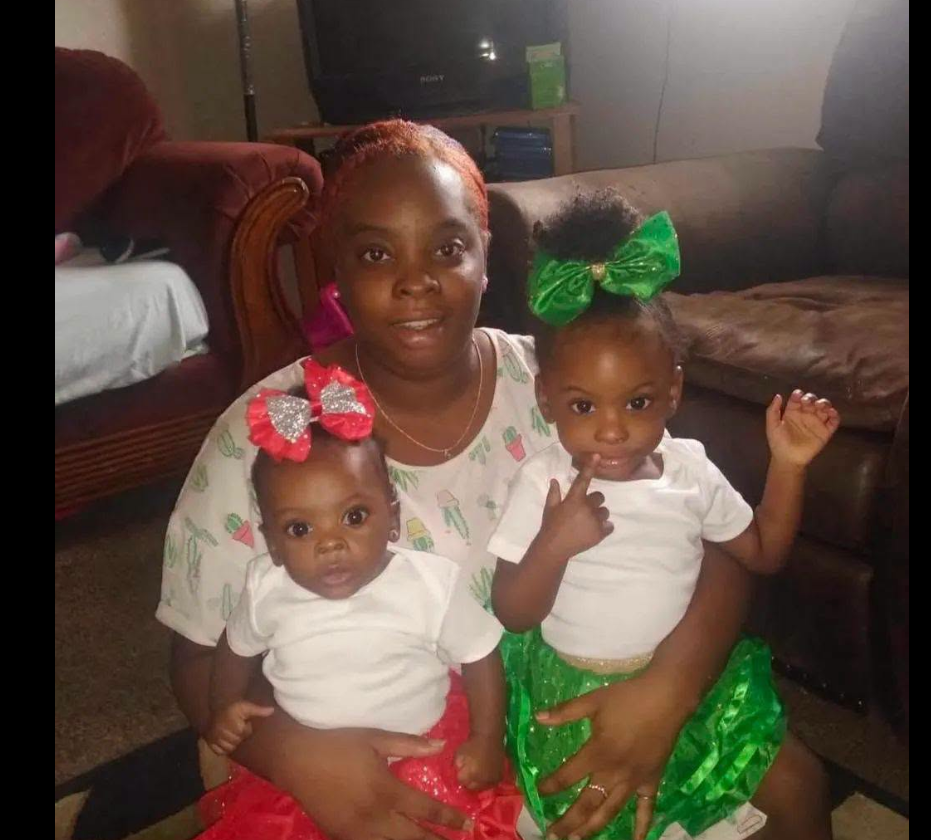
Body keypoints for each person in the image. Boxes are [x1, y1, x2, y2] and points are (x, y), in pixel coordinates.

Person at [158, 120, 808, 840]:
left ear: (486, 258)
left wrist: (670, 690)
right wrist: (296, 755)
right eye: (376, 253)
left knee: (791, 787)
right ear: (332, 267)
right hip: (339, 735)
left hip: (567, 702)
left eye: (447, 248)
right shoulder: (270, 430)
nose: (414, 281)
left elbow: (712, 539)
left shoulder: (573, 383)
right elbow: (196, 656)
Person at [490, 190, 838, 840]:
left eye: (639, 401)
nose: (613, 430)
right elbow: (511, 610)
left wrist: (787, 466)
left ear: (673, 390)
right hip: (573, 692)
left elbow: (762, 552)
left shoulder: (690, 472)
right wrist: (553, 546)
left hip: (683, 678)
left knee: (784, 788)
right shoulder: (543, 480)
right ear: (544, 399)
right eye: (583, 406)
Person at [197, 364, 519, 839]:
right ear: (272, 542)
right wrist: (227, 703)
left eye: (353, 516)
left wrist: (486, 738)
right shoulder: (267, 587)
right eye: (300, 529)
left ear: (392, 516)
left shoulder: (428, 585)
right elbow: (235, 647)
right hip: (313, 768)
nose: (331, 544)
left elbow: (481, 654)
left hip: (424, 752)